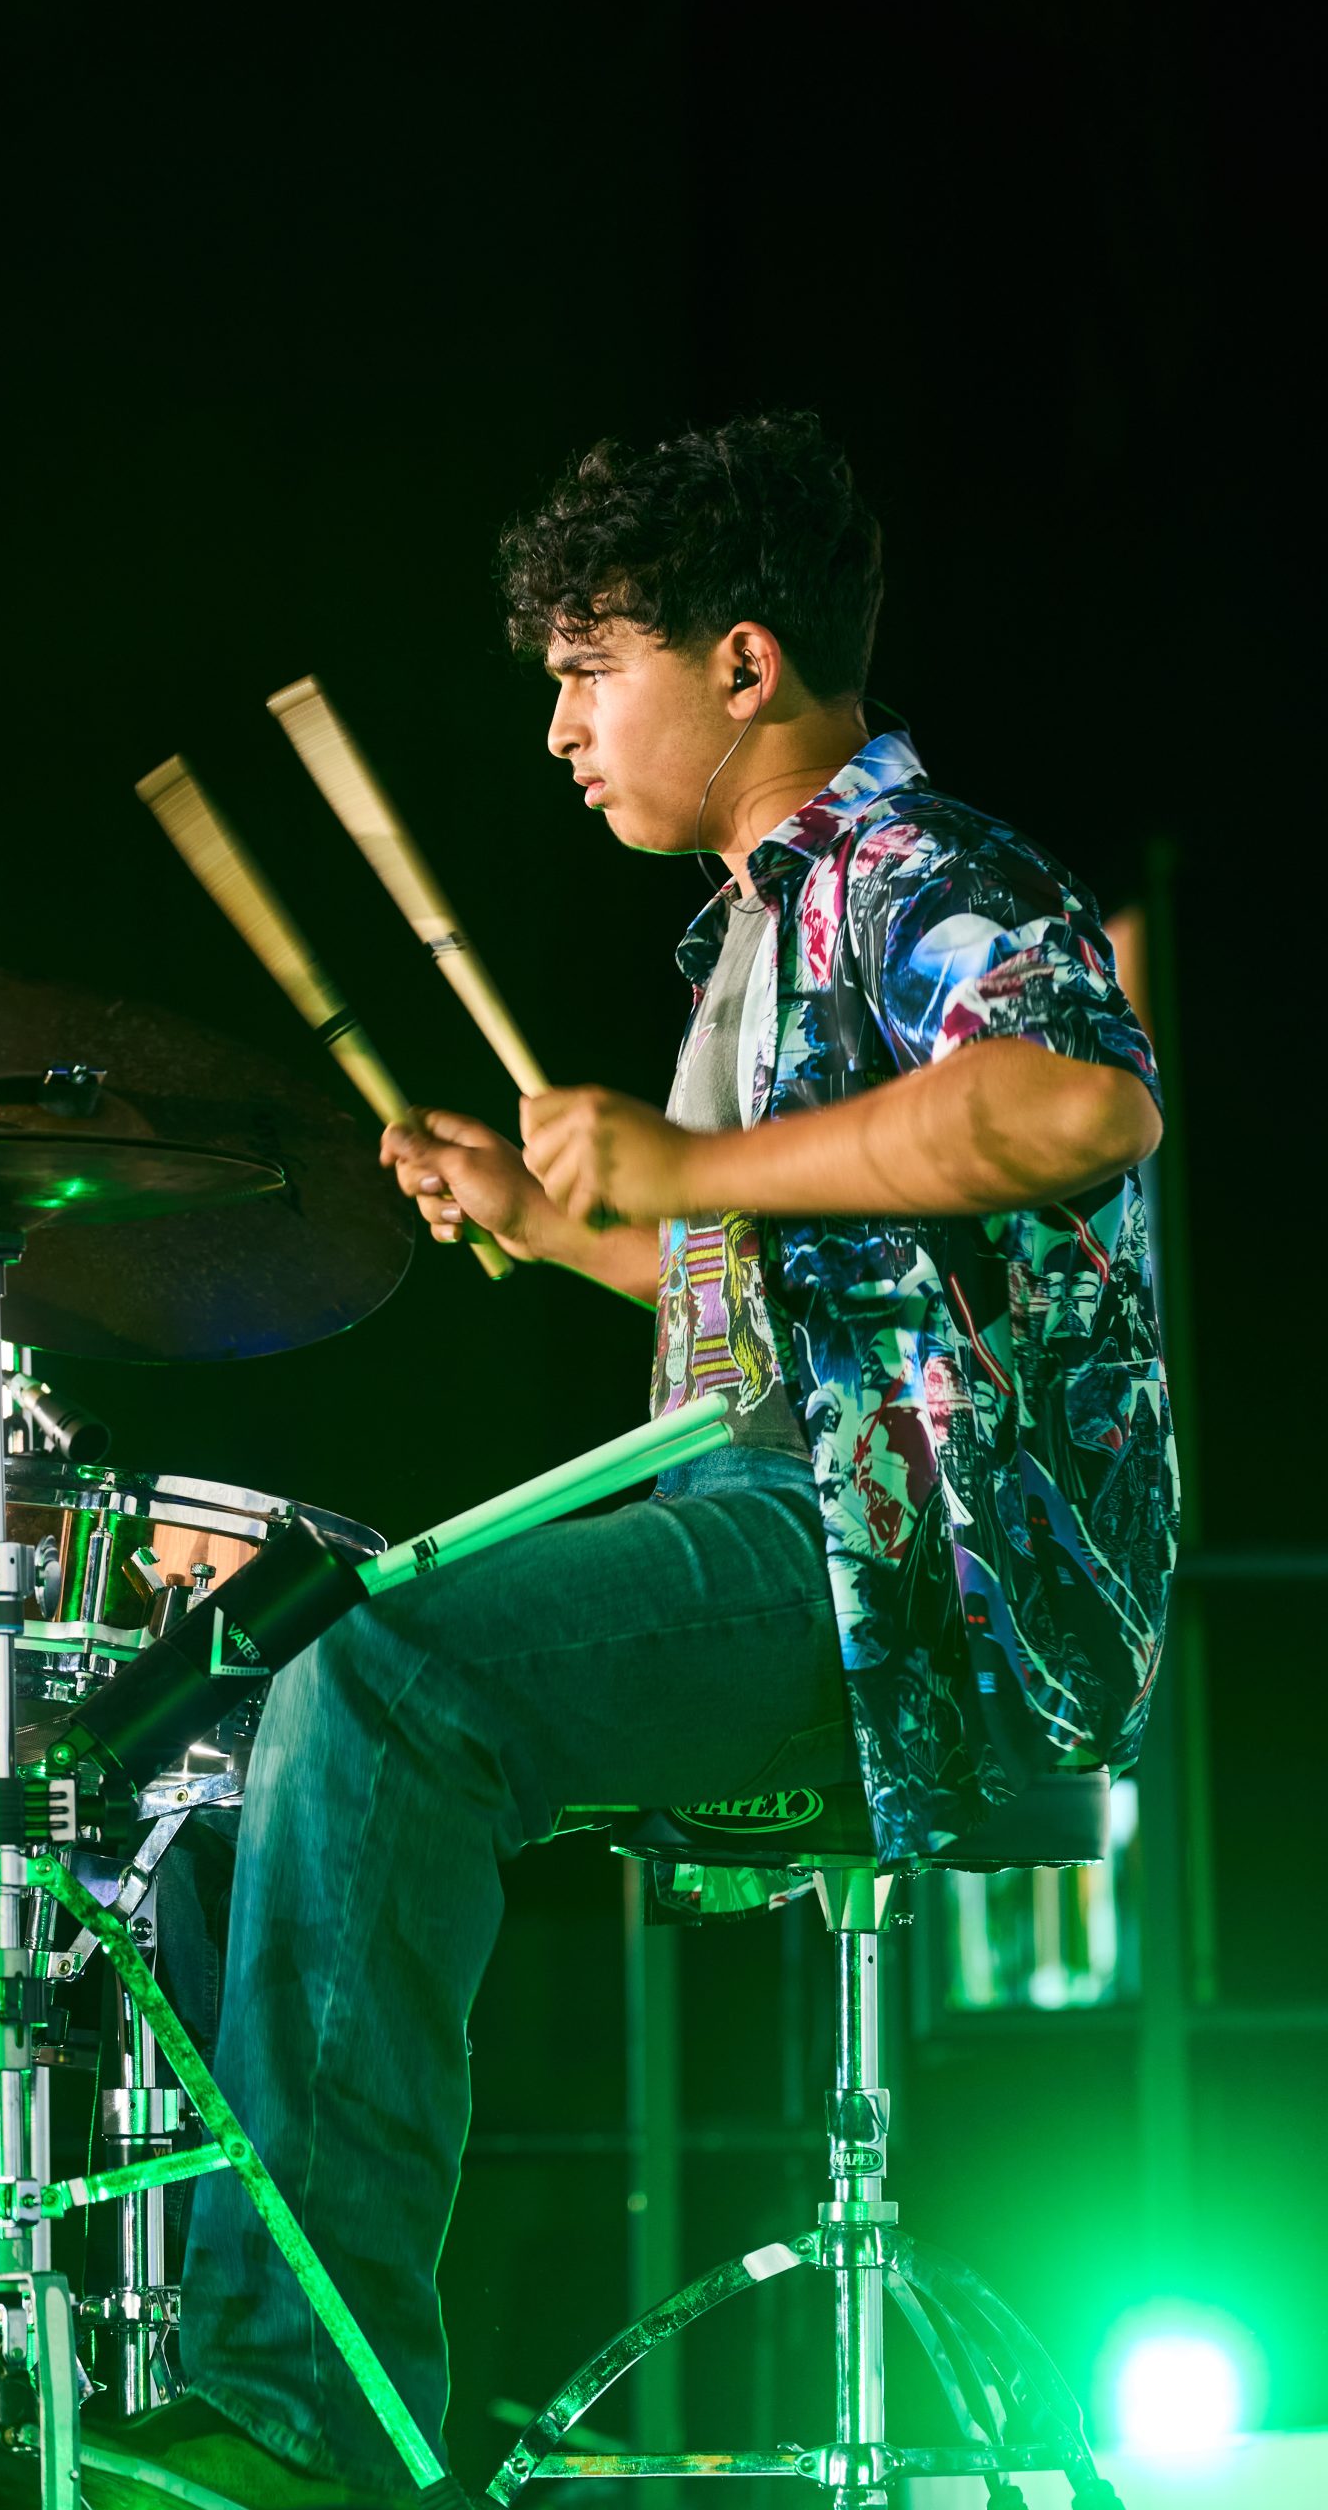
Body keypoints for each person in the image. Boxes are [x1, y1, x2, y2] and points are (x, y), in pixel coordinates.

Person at [114, 412, 1177, 2508]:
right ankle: (246, 2361)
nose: (560, 730)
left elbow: (1075, 1105)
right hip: (782, 1515)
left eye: (591, 671)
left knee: (386, 1680)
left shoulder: (921, 871)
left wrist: (690, 1167)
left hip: (926, 1577)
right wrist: (561, 1223)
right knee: (272, 1680)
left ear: (745, 664)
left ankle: (299, 2412)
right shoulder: (746, 941)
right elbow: (759, 1324)